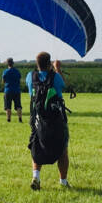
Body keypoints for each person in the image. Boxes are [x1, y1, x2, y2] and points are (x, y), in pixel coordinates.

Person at [26, 52, 69, 190]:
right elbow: (64, 86)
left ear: (36, 63)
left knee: (36, 146)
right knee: (62, 149)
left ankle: (36, 177)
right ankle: (63, 182)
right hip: (55, 120)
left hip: (38, 119)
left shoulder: (30, 77)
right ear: (49, 62)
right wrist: (57, 69)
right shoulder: (55, 77)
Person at [1, 58, 22, 123]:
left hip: (8, 90)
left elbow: (3, 81)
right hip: (17, 90)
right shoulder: (17, 71)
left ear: (7, 63)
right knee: (18, 105)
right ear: (13, 63)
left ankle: (9, 119)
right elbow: (19, 79)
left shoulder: (5, 72)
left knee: (8, 106)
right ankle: (20, 119)